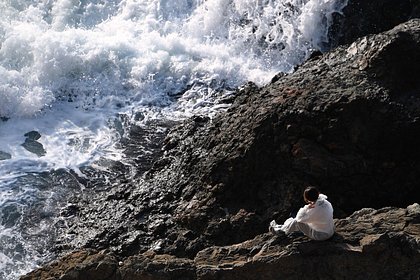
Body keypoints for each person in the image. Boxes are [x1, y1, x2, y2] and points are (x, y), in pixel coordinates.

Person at [269, 186, 334, 241]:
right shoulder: (326, 202)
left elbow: (299, 218)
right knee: (297, 220)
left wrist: (307, 207)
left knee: (297, 222)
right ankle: (282, 227)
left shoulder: (315, 210)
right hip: (330, 230)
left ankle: (281, 231)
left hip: (322, 235)